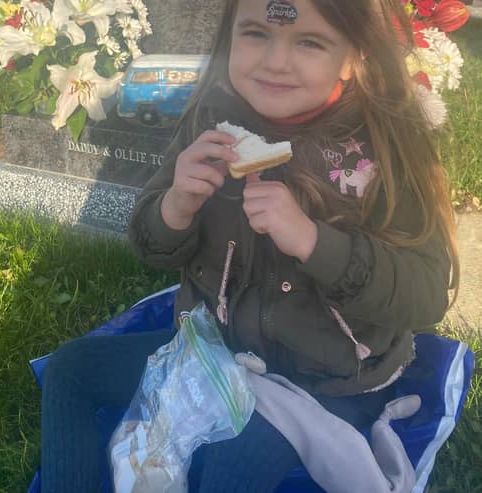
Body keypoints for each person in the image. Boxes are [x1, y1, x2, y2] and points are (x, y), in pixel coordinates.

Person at [40, 0, 459, 491]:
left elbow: (427, 294)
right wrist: (175, 207)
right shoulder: (210, 124)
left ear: (354, 57)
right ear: (229, 38)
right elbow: (151, 245)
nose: (274, 61)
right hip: (219, 358)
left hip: (329, 380)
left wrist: (314, 242)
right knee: (70, 369)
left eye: (309, 42)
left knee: (233, 459)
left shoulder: (382, 148)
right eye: (256, 33)